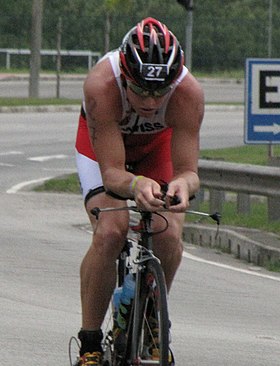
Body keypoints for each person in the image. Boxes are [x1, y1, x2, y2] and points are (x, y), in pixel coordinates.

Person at [74, 17, 204, 366]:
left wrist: (181, 185)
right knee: (110, 231)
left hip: (154, 147)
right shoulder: (101, 84)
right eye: (141, 90)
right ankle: (89, 343)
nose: (150, 101)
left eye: (160, 92)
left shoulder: (189, 92)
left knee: (169, 232)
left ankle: (151, 317)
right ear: (126, 77)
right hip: (102, 147)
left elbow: (189, 172)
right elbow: (113, 172)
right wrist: (135, 185)